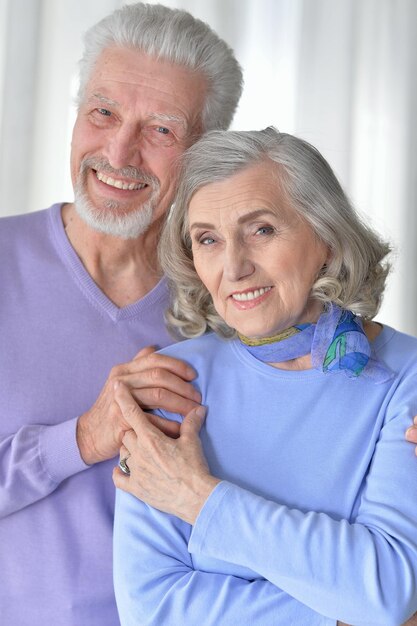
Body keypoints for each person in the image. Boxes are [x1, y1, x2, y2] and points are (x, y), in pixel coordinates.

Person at [113, 127, 417, 626]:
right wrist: (341, 614)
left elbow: (385, 588)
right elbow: (151, 609)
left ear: (327, 237)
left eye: (262, 230)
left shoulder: (405, 375)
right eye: (207, 239)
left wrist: (199, 498)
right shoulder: (172, 379)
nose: (233, 266)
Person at [0, 3, 242, 625]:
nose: (120, 151)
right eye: (103, 113)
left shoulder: (231, 302)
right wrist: (82, 438)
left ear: (204, 154)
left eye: (161, 130)